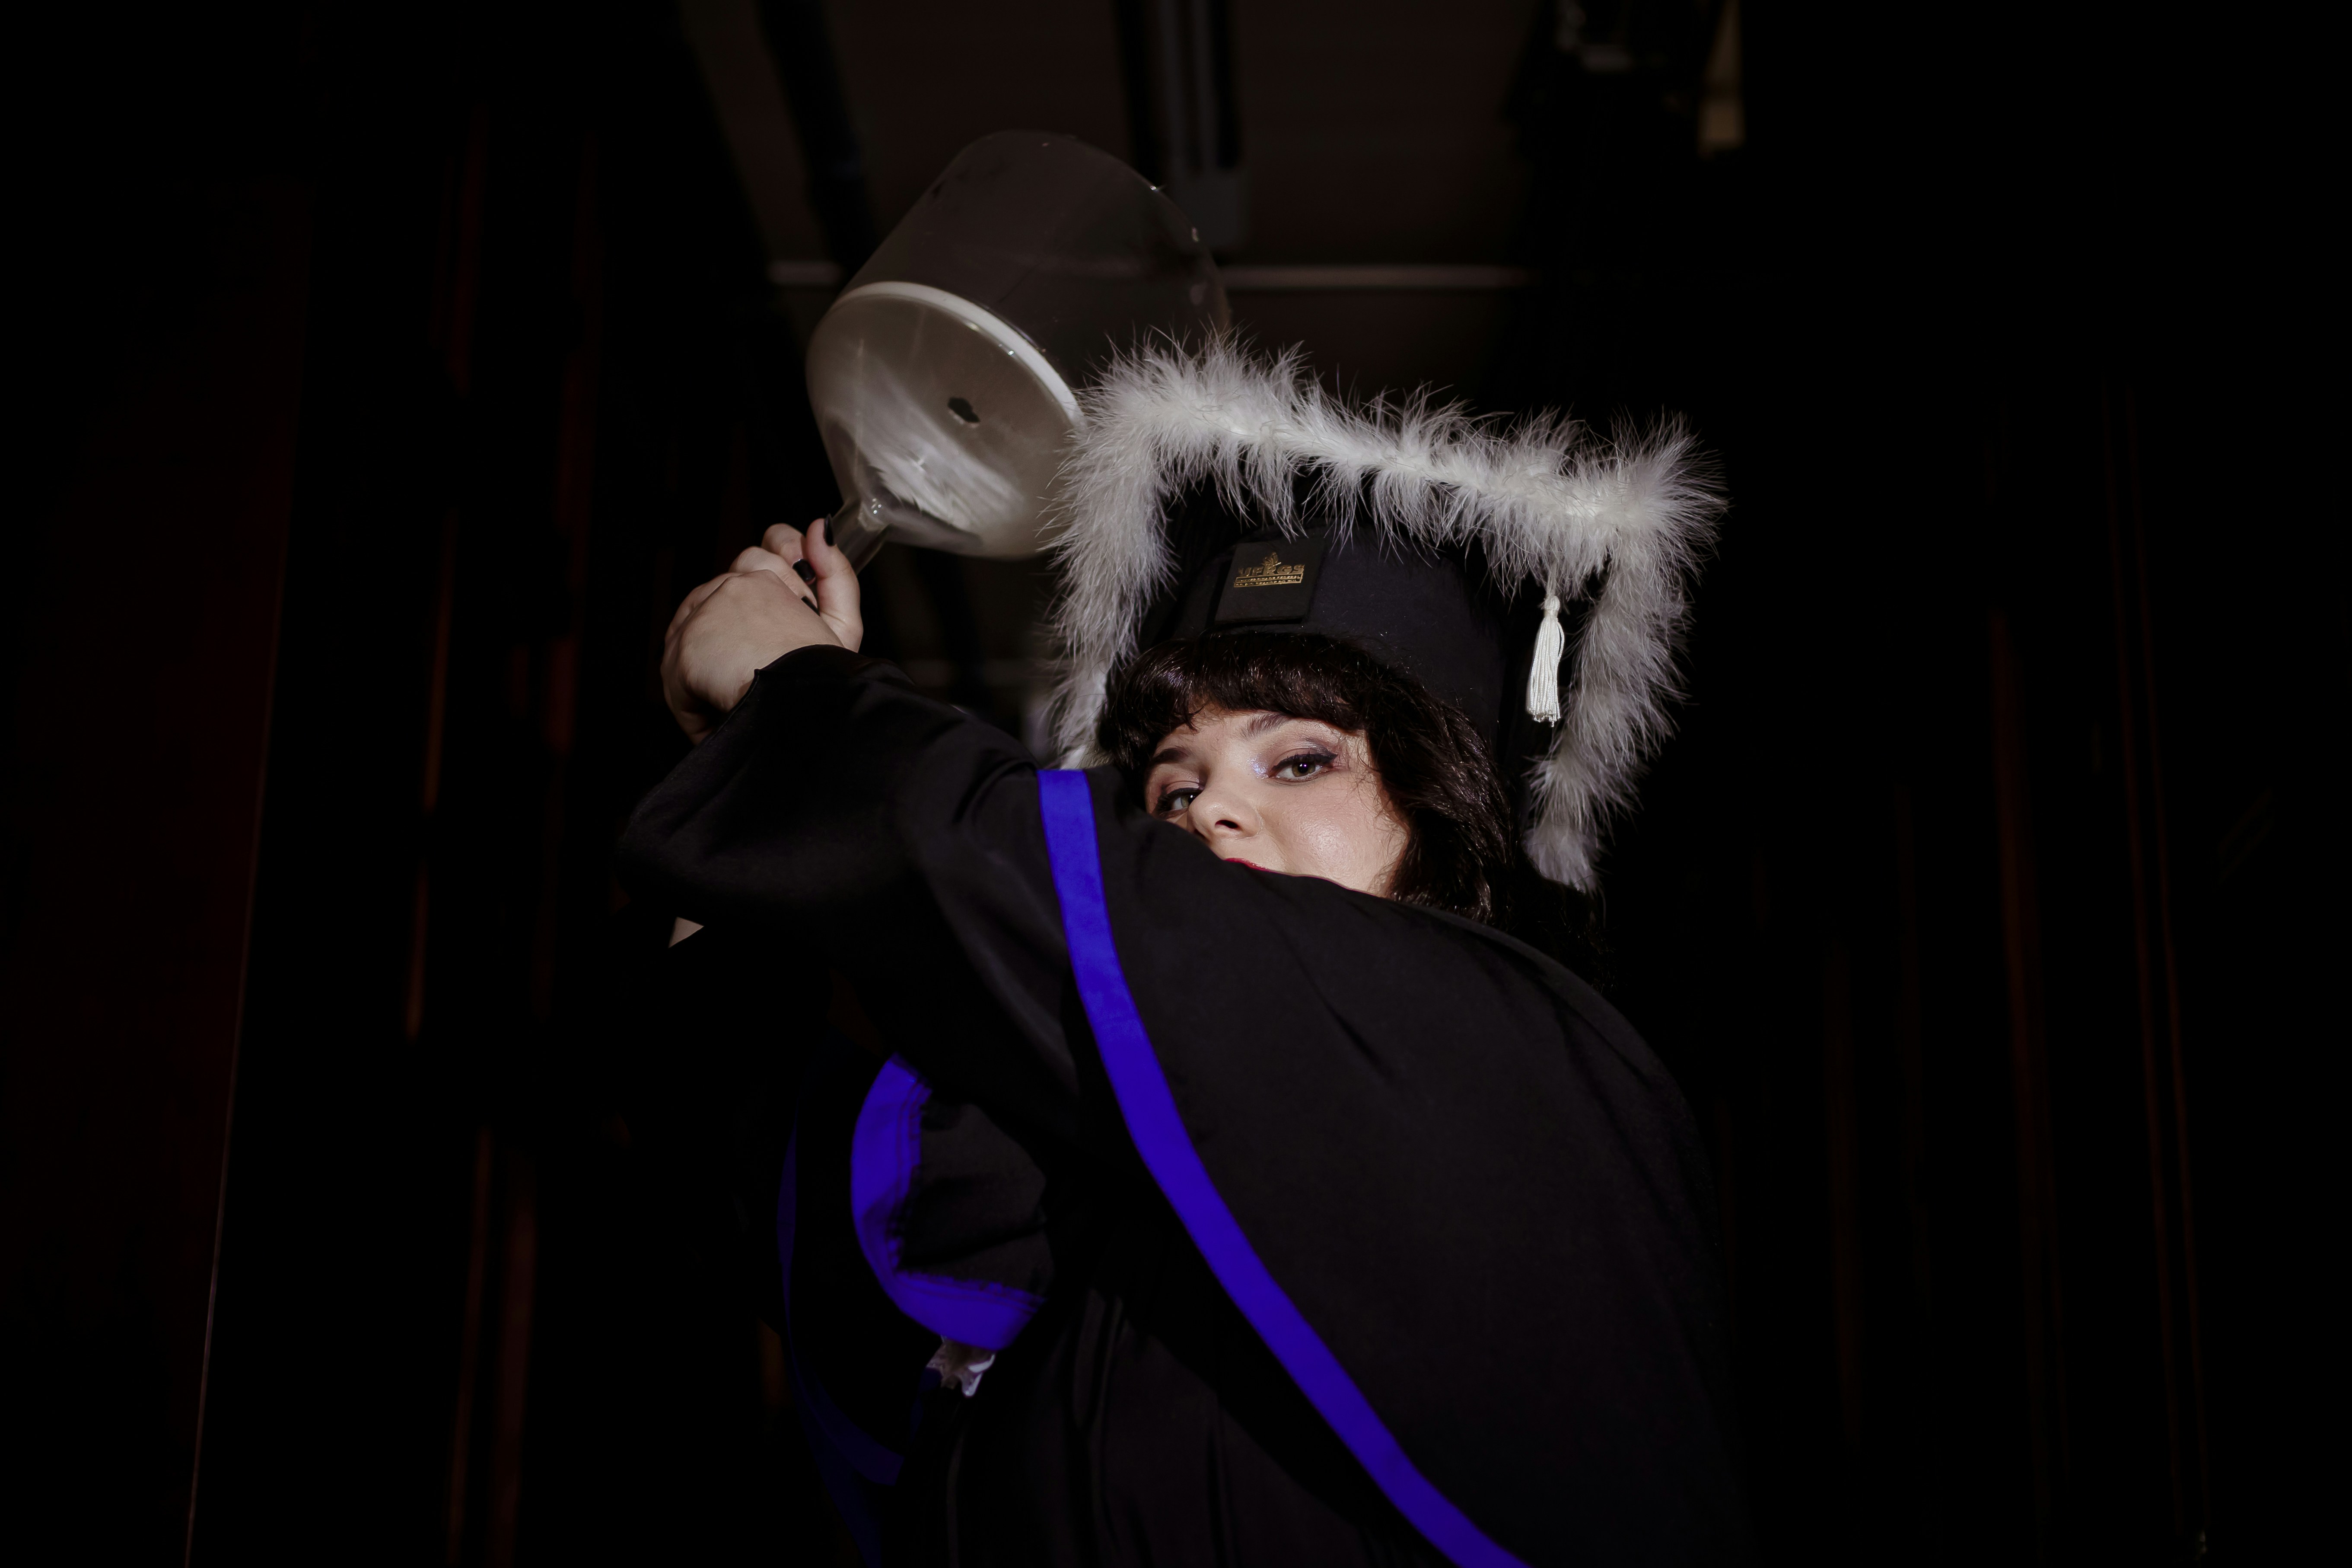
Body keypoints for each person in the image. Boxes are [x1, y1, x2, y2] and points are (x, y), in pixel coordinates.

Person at [617, 342, 1748, 1567]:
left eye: (1300, 759)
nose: (1207, 813)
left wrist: (801, 696)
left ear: (1447, 808)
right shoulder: (1061, 1202)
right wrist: (748, 752)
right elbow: (753, 1151)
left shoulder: (1526, 1068)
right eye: (1168, 787)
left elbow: (1135, 920)